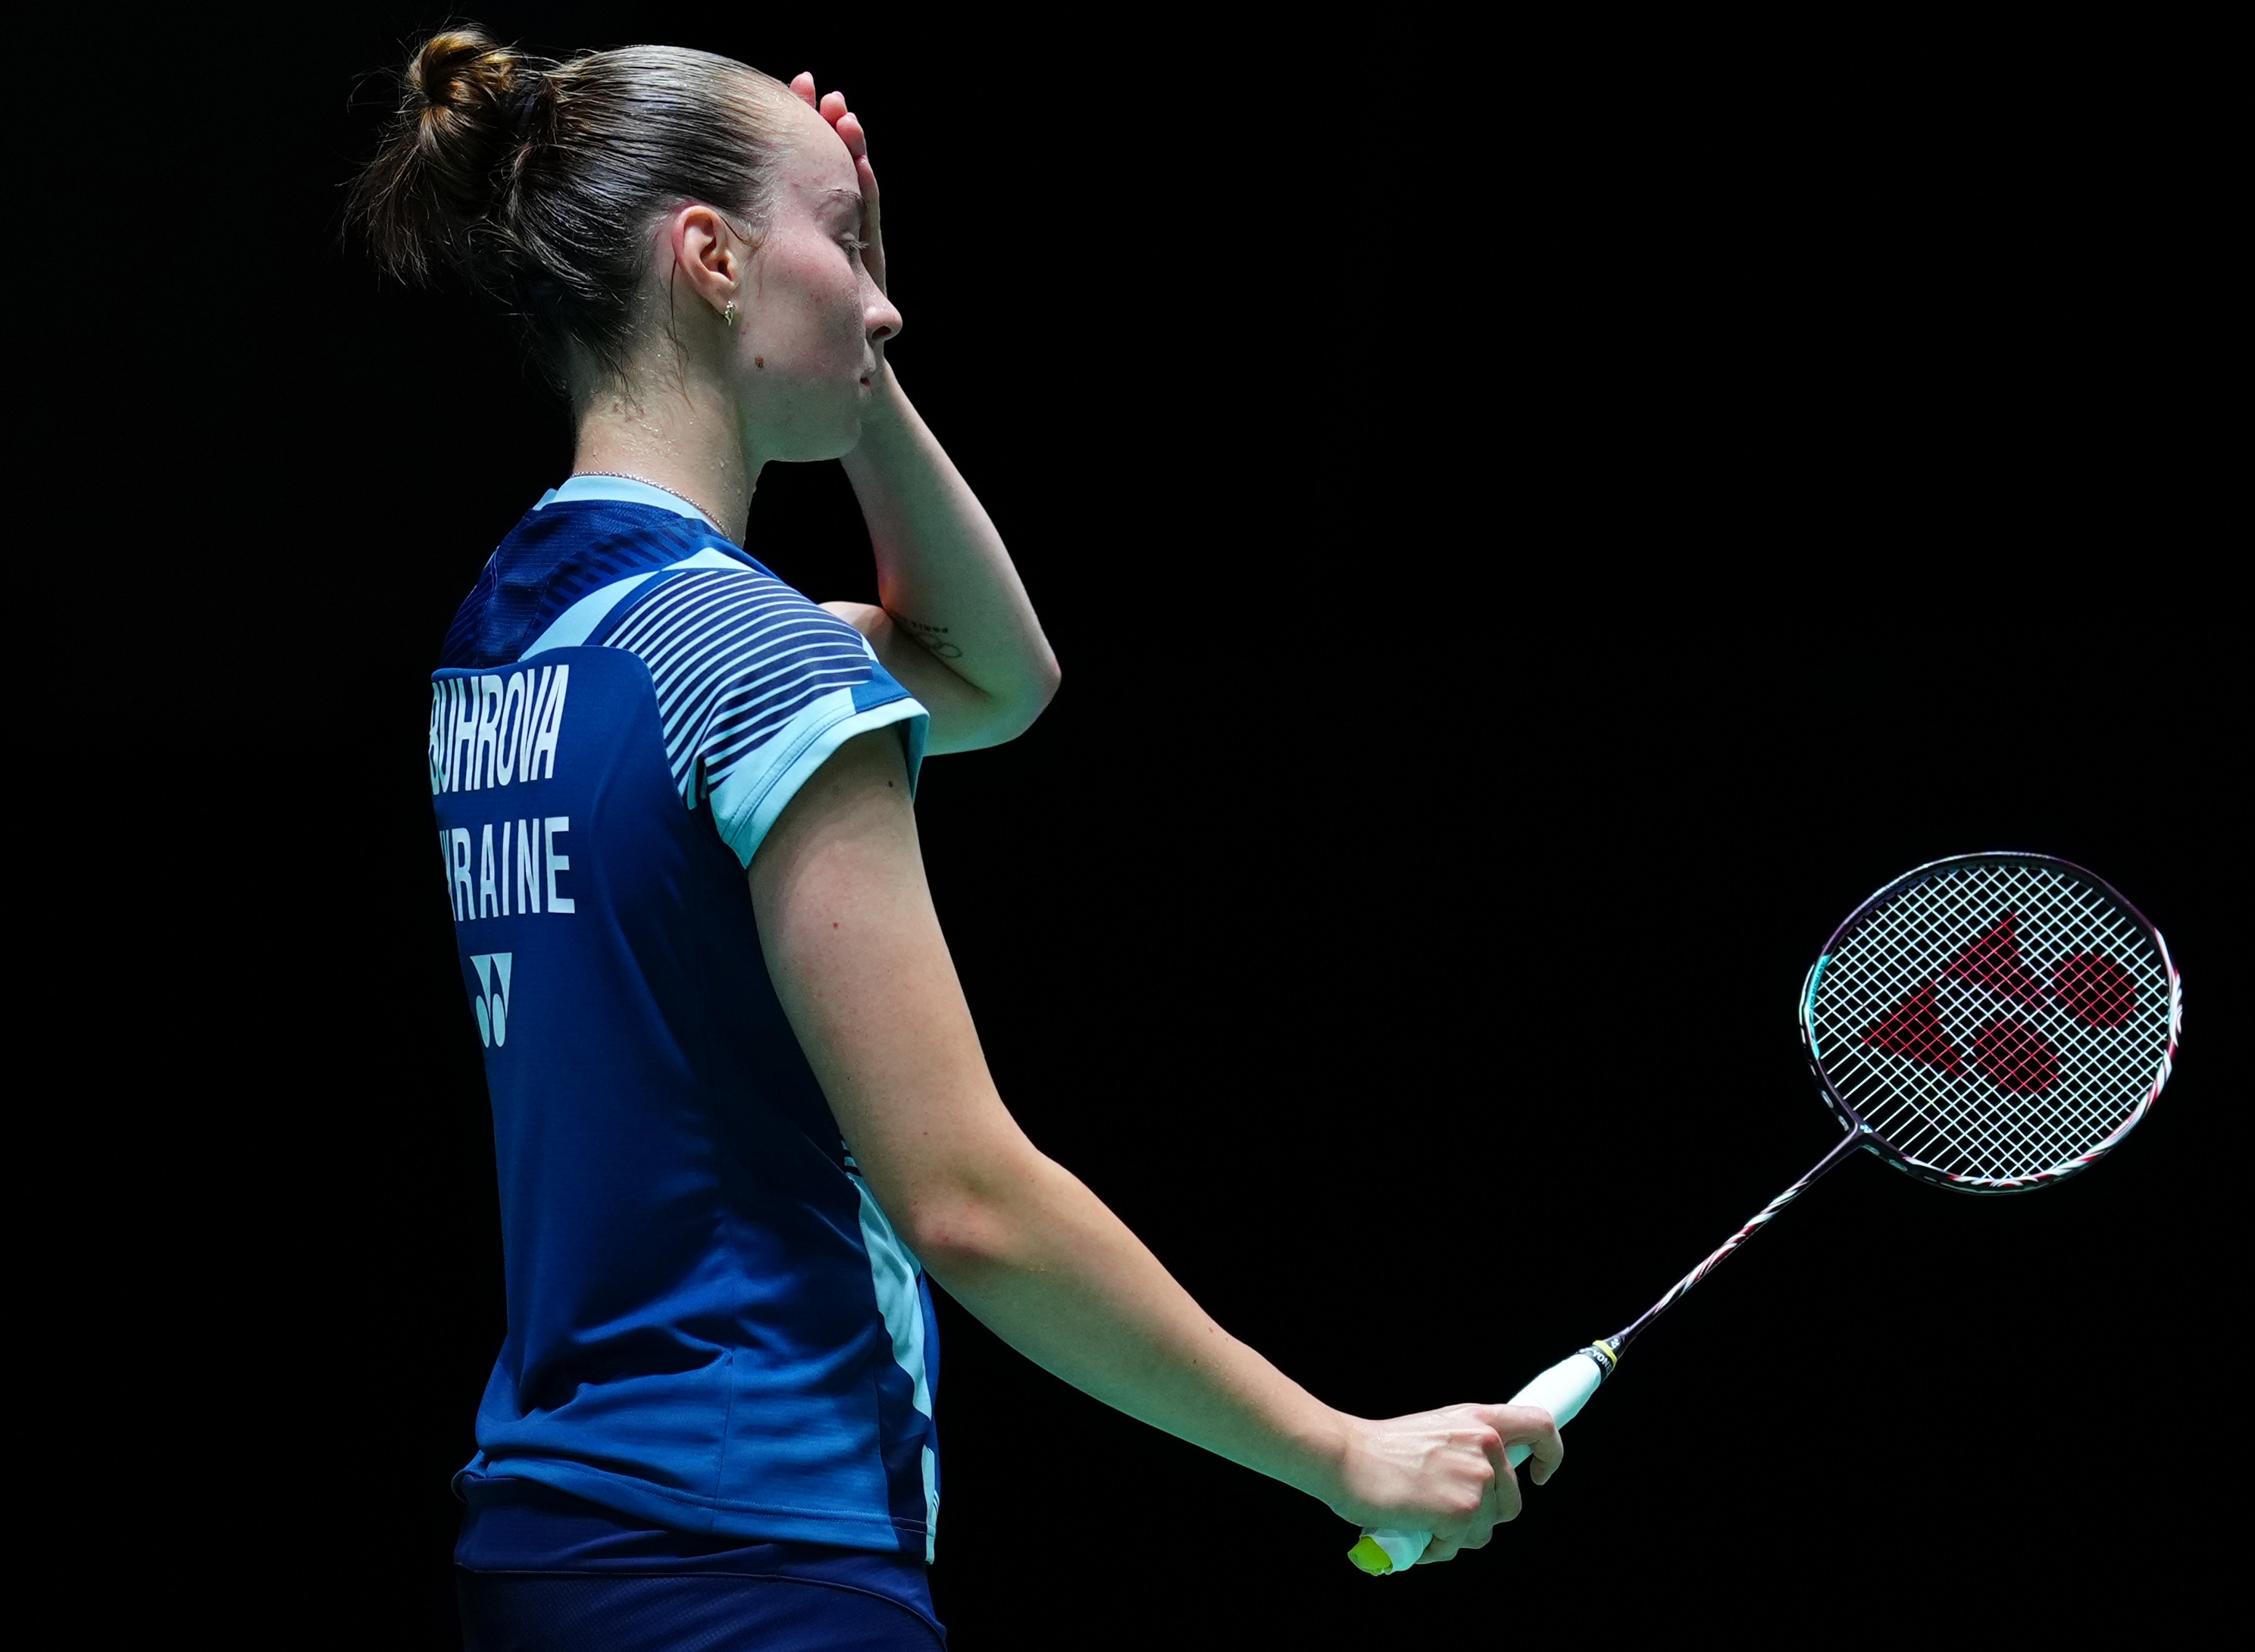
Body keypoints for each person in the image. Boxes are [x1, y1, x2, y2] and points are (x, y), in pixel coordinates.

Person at [358, 27, 1562, 1649]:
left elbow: (996, 678)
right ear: (709, 257)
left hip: (552, 1542)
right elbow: (965, 1199)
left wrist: (851, 361)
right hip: (758, 1549)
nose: (886, 297)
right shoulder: (744, 652)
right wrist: (1338, 1451)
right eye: (846, 245)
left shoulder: (509, 640)